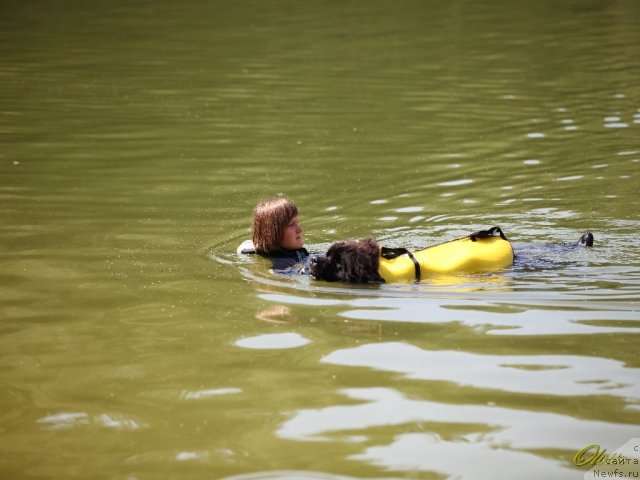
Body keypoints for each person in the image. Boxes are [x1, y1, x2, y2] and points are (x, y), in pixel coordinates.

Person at [237, 196, 310, 273]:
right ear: (272, 233)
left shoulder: (292, 253)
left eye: (297, 223)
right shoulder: (281, 266)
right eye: (291, 224)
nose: (300, 230)